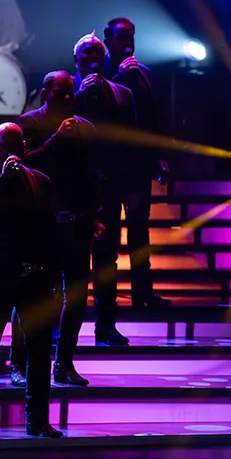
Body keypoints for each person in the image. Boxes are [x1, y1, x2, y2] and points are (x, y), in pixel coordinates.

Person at [0, 123, 62, 440]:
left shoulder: (41, 181)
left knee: (39, 351)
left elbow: (49, 232)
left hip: (33, 278)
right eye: (4, 146)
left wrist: (53, 276)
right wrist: (4, 180)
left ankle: (37, 420)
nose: (10, 152)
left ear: (24, 147)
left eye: (16, 146)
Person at [12, 71, 100, 387]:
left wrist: (95, 214)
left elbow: (92, 174)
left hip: (77, 223)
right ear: (45, 93)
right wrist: (57, 138)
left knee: (75, 296)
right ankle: (18, 361)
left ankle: (63, 363)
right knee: (33, 295)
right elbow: (25, 166)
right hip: (43, 224)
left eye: (70, 91)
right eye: (61, 91)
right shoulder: (28, 123)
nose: (67, 97)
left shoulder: (86, 127)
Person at [72, 31, 137, 346]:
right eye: (87, 53)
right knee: (71, 261)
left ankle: (105, 326)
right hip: (73, 189)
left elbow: (130, 141)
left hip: (108, 186)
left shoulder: (122, 93)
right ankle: (63, 327)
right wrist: (78, 96)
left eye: (98, 53)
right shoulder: (64, 90)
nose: (94, 58)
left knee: (107, 261)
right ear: (76, 60)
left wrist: (130, 185)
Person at [102, 17, 170, 310]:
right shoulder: (98, 71)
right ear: (108, 39)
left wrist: (159, 156)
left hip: (138, 165)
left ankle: (144, 292)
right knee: (108, 234)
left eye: (132, 35)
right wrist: (119, 78)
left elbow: (152, 118)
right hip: (108, 166)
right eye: (122, 36)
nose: (128, 41)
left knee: (139, 230)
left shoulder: (144, 74)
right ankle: (106, 298)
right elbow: (98, 112)